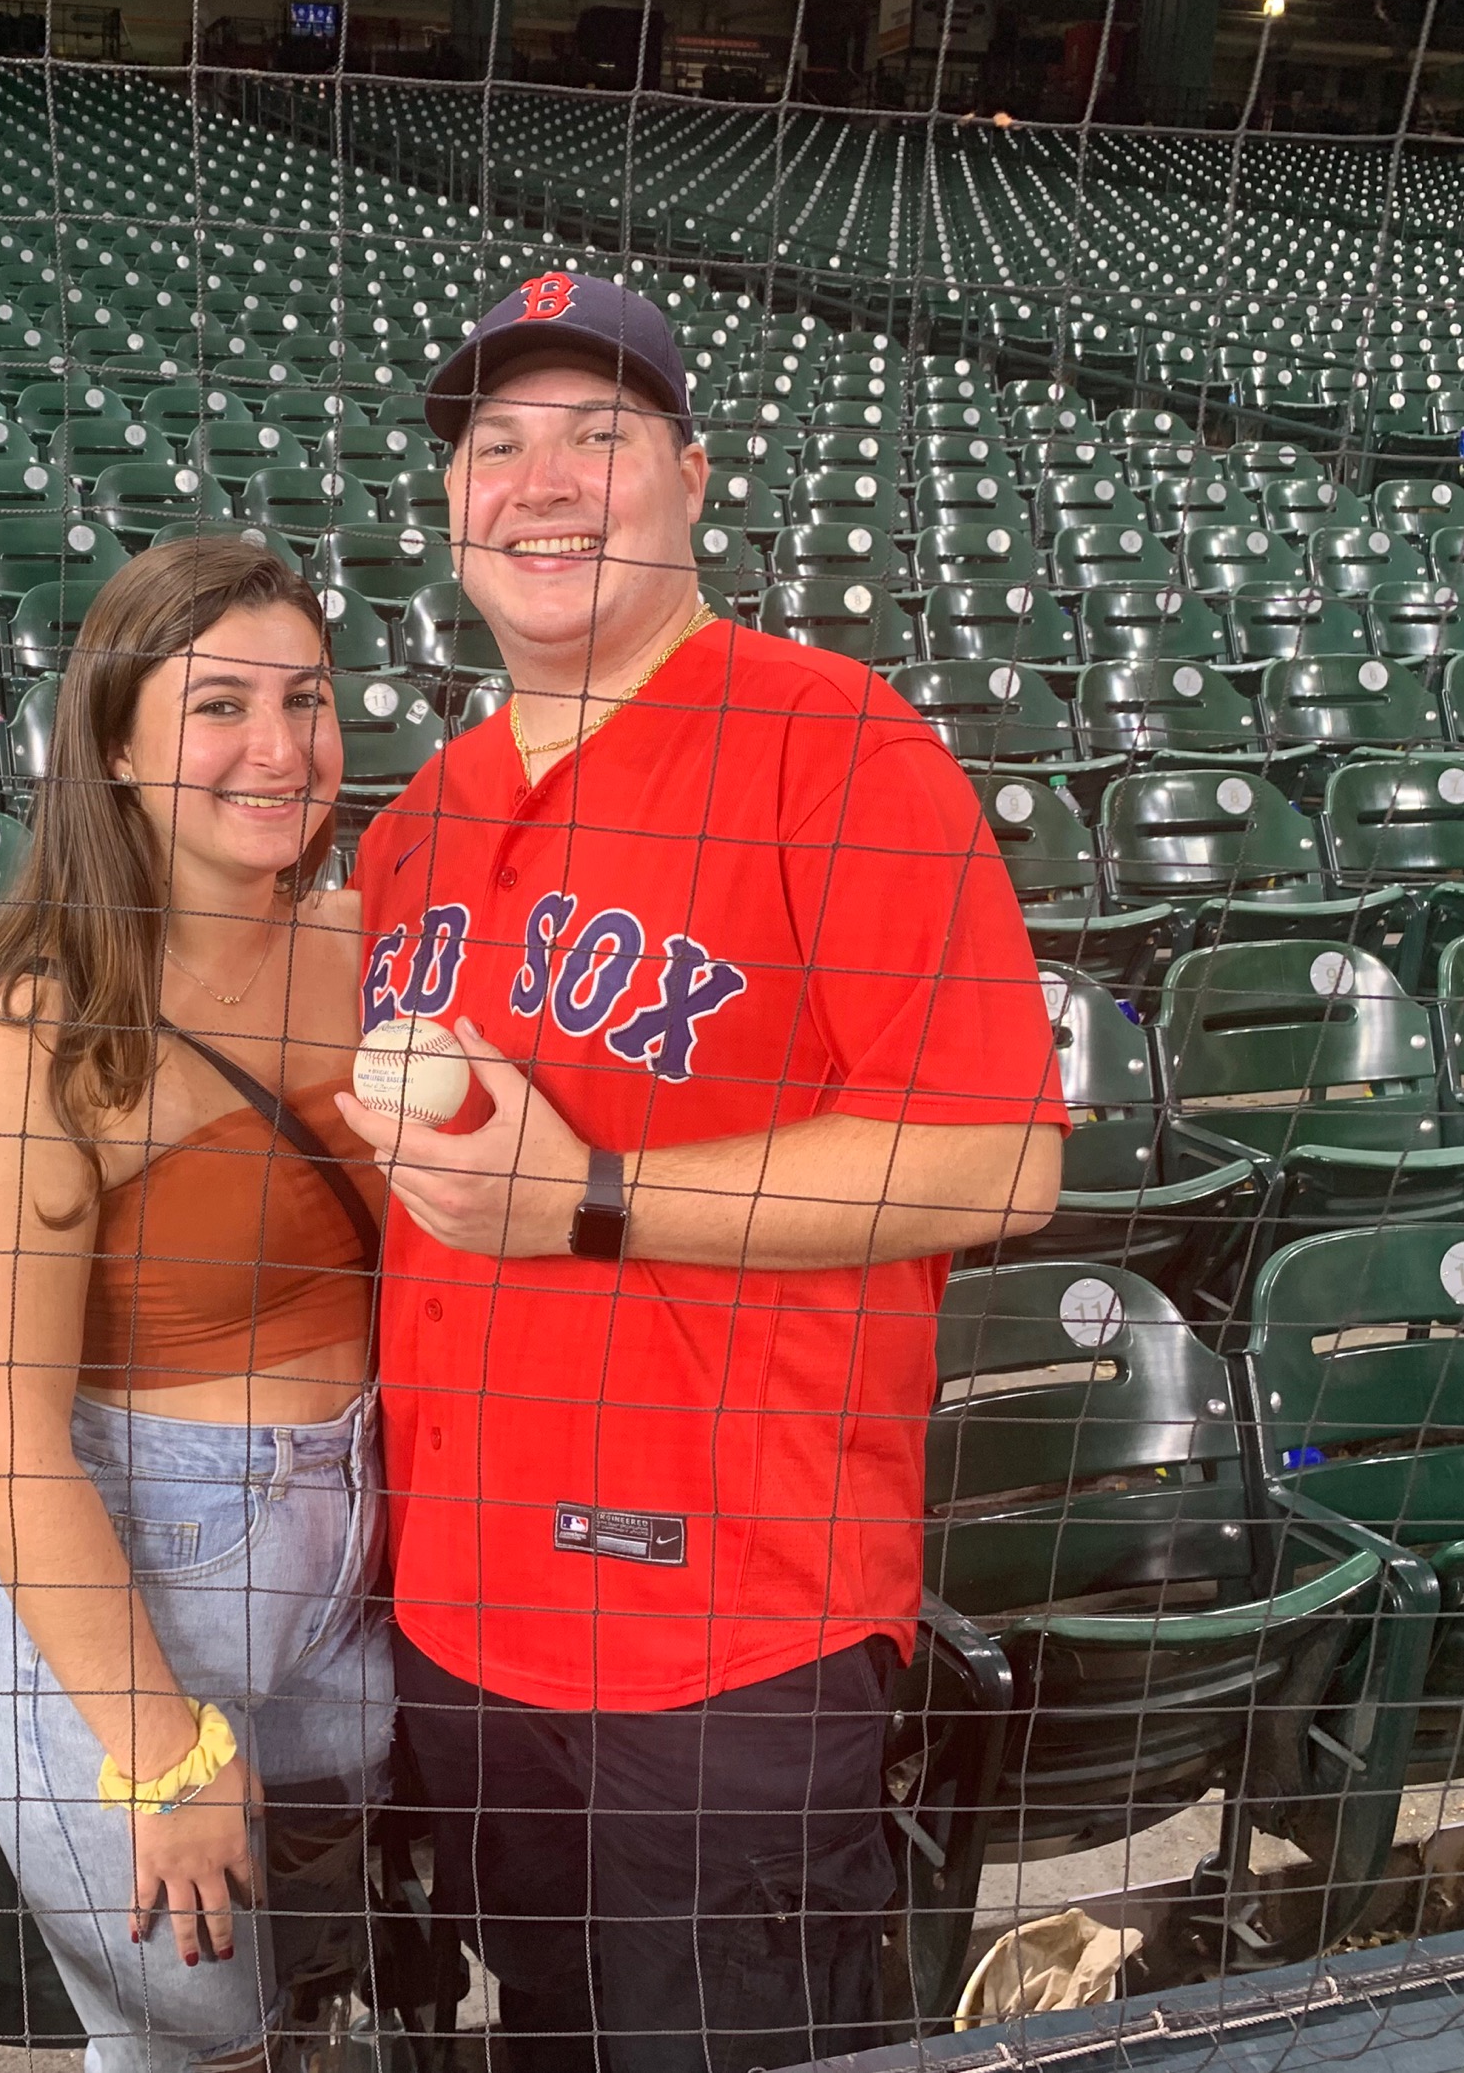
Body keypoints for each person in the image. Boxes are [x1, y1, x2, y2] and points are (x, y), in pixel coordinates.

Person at [334, 274, 1068, 2072]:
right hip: (465, 1618)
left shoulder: (838, 739)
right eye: (498, 445)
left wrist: (595, 1197)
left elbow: (1001, 1155)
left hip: (731, 1628)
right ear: (452, 506)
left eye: (603, 434)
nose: (545, 480)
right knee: (555, 2033)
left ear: (694, 477)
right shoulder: (416, 822)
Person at [0, 537, 394, 2073]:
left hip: (355, 1587)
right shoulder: (36, 1031)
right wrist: (160, 1748)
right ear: (114, 747)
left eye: (306, 700)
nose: (280, 747)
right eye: (221, 706)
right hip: (130, 1610)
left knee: (303, 2011)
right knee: (197, 2046)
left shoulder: (367, 943)